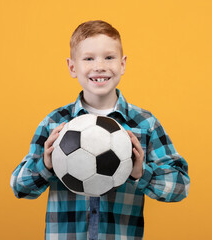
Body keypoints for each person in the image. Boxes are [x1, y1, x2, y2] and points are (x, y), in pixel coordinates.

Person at [10, 20, 190, 240]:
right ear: (72, 67)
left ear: (122, 64)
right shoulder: (55, 123)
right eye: (88, 58)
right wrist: (45, 165)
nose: (100, 66)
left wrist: (141, 173)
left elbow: (180, 186)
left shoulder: (144, 124)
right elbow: (20, 187)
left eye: (109, 57)